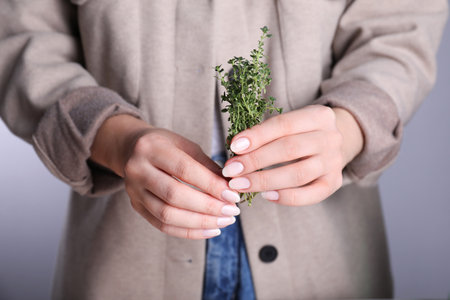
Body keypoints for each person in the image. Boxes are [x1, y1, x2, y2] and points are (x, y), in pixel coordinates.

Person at [0, 1, 447, 299]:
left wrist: (348, 126)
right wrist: (114, 137)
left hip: (324, 249)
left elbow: (400, 23)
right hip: (125, 252)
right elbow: (22, 32)